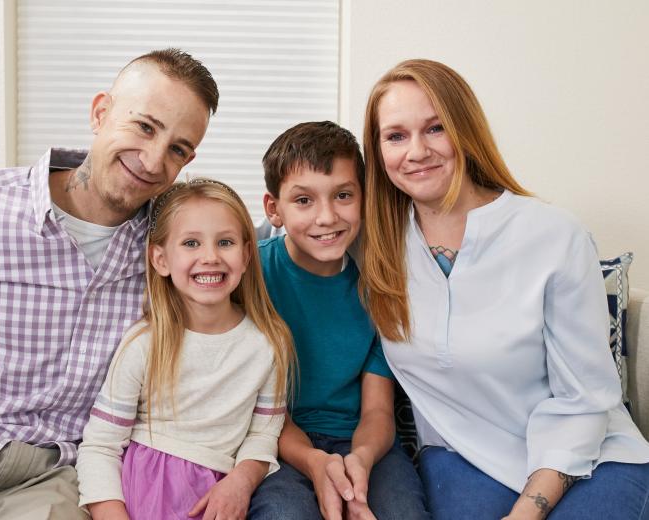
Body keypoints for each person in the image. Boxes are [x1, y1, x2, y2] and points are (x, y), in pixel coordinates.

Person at [0, 48, 217, 519]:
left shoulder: (177, 247)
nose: (153, 160)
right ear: (100, 113)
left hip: (50, 479)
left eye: (177, 148)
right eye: (144, 126)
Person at [360, 58, 649, 519]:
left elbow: (586, 399)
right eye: (396, 136)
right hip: (463, 460)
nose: (415, 151)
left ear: (465, 132)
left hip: (591, 456)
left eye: (435, 129)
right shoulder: (373, 244)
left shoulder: (554, 235)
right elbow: (277, 237)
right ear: (377, 152)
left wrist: (528, 509)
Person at [76, 178, 294, 520]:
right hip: (143, 495)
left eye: (225, 242)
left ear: (247, 255)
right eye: (191, 243)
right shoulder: (144, 345)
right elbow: (100, 445)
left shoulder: (269, 343)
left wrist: (242, 481)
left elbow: (264, 433)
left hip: (221, 498)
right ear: (161, 259)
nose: (210, 257)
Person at [248, 121, 429, 519]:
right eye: (304, 200)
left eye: (343, 195)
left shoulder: (382, 287)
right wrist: (315, 461)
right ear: (273, 209)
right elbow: (256, 409)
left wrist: (359, 461)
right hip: (272, 439)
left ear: (364, 199)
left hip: (365, 442)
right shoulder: (249, 277)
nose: (327, 217)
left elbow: (378, 412)